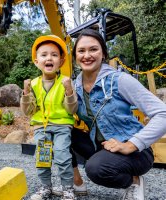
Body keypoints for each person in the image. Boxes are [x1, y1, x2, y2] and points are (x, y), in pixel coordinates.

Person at [71, 29, 166, 200]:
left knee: (95, 169)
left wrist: (130, 145)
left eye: (93, 49)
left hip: (134, 153)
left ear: (103, 54)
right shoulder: (74, 87)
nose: (87, 55)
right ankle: (76, 182)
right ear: (75, 56)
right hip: (102, 146)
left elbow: (163, 113)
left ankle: (134, 181)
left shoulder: (119, 80)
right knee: (59, 133)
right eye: (81, 50)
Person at [21, 35, 78, 200]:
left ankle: (67, 189)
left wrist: (69, 90)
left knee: (62, 155)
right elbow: (28, 111)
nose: (49, 58)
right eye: (44, 54)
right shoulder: (33, 84)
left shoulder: (65, 82)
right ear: (36, 61)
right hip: (42, 127)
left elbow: (72, 108)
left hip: (62, 127)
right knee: (43, 158)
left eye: (54, 55)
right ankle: (46, 188)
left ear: (61, 61)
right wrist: (25, 93)